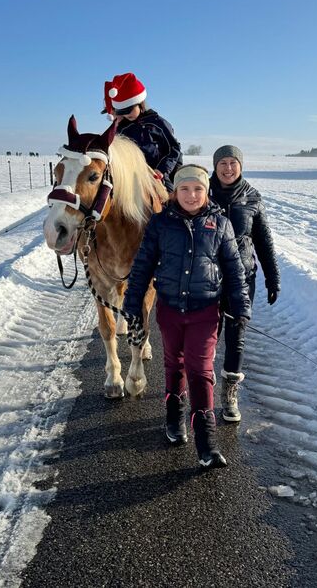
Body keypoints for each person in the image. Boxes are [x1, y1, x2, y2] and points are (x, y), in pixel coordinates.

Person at [123, 164, 251, 469]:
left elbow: (234, 270)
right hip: (169, 310)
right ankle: (174, 418)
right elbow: (142, 266)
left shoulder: (220, 225)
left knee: (201, 369)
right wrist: (132, 303)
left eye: (198, 189)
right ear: (174, 192)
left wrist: (240, 306)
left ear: (206, 192)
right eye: (184, 189)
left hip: (205, 311)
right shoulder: (159, 224)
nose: (191, 195)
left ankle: (206, 442)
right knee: (174, 363)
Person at [209, 145, 281, 423]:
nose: (228, 168)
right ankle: (205, 381)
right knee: (208, 333)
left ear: (240, 165)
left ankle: (230, 394)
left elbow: (263, 240)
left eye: (233, 163)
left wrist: (272, 277)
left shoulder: (252, 196)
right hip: (208, 277)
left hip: (242, 277)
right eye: (223, 163)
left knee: (236, 334)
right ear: (215, 166)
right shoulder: (203, 193)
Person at [102, 72, 182, 191]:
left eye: (129, 109)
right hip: (131, 179)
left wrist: (161, 170)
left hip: (157, 175)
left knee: (169, 198)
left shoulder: (157, 123)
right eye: (122, 112)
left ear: (140, 104)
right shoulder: (122, 130)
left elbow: (174, 149)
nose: (127, 114)